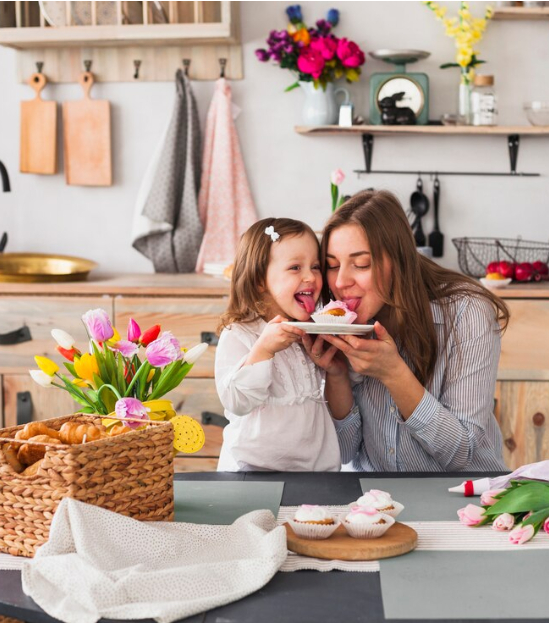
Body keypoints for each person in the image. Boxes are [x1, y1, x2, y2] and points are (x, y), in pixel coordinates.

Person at [303, 190, 509, 472]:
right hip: (377, 504)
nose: (340, 282)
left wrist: (394, 373)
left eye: (361, 264)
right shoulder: (340, 320)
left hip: (463, 498)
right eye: (332, 265)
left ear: (398, 261)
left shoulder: (467, 312)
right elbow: (344, 452)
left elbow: (461, 453)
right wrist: (337, 376)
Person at [215, 218, 340, 472]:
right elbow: (235, 401)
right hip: (252, 471)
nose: (310, 277)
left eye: (315, 266)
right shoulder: (239, 334)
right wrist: (263, 351)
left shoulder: (308, 332)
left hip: (315, 472)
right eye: (295, 267)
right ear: (260, 280)